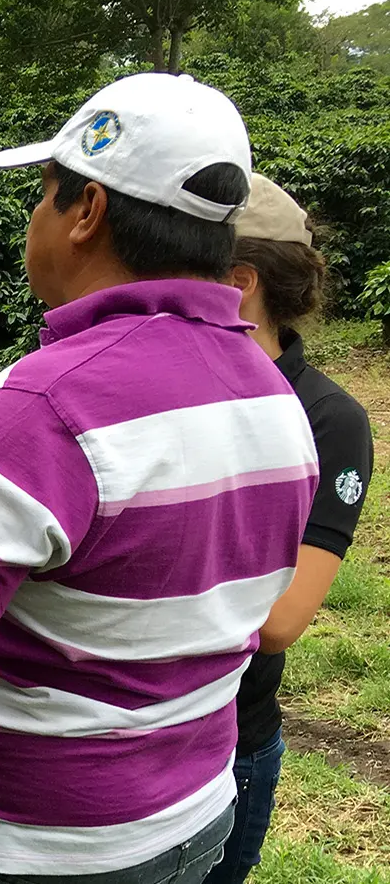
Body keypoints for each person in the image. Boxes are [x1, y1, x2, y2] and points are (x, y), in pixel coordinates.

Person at [0, 72, 319, 883]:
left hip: (18, 842)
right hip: (187, 822)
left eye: (45, 194)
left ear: (88, 212)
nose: (35, 217)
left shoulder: (39, 408)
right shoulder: (275, 398)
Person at [203, 175, 375, 884]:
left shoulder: (330, 420)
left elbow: (279, 621)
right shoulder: (173, 387)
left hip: (229, 740)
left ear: (240, 283)